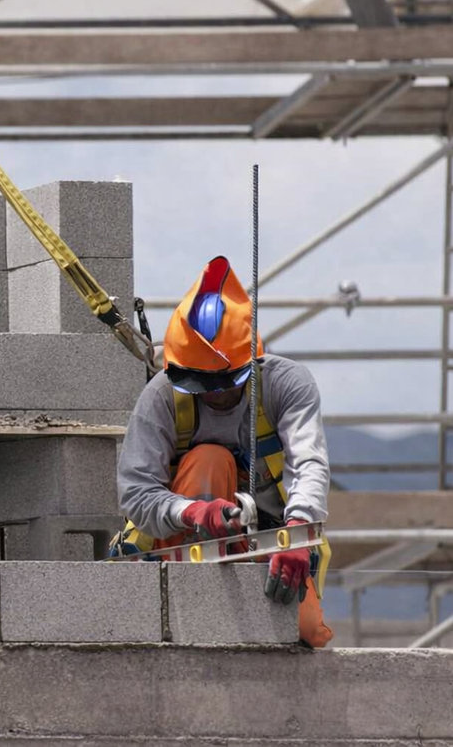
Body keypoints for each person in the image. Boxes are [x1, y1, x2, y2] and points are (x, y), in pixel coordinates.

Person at [110, 255, 333, 648]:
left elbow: (308, 462)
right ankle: (195, 605)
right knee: (209, 458)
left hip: (267, 534)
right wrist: (193, 510)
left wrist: (298, 529)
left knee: (306, 632)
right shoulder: (161, 396)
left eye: (225, 382)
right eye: (198, 384)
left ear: (251, 362)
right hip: (179, 540)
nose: (213, 394)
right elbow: (136, 493)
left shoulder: (286, 385)